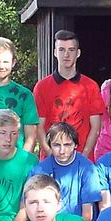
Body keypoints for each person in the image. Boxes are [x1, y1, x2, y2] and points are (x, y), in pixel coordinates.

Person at [32, 30, 104, 160]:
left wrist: (83, 157)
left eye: (71, 50)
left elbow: (96, 128)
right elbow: (39, 127)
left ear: (78, 53)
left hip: (82, 161)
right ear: (55, 52)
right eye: (61, 50)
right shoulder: (41, 87)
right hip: (51, 161)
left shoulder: (91, 86)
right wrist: (51, 155)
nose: (66, 54)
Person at [29, 122, 103, 221]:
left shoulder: (87, 168)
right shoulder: (39, 169)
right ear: (50, 145)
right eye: (56, 145)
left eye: (67, 145)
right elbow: (30, 207)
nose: (62, 151)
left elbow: (87, 214)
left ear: (75, 145)